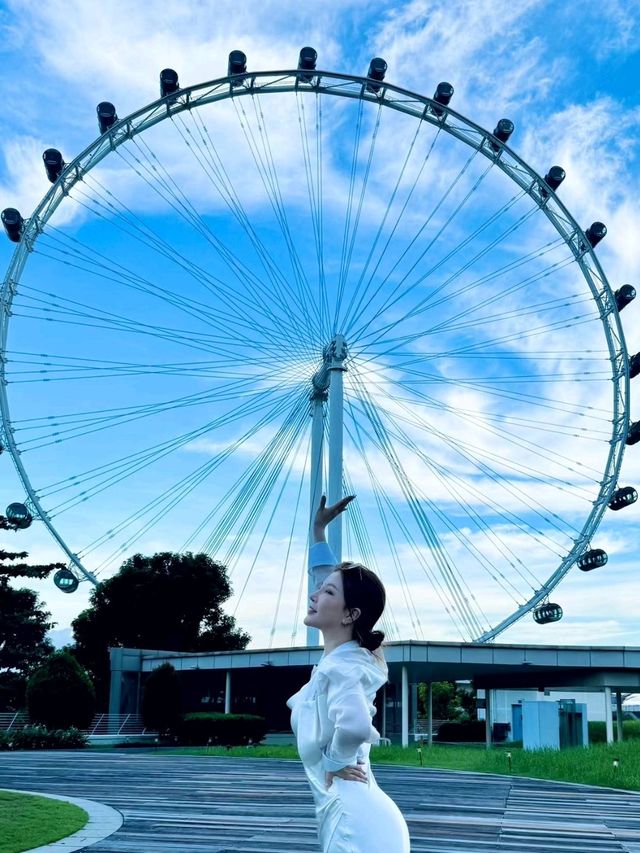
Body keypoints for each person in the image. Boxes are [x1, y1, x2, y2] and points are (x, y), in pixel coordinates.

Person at [286, 495, 411, 852]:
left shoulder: (342, 667)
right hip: (350, 811)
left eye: (325, 592)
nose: (313, 595)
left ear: (349, 615)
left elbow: (356, 726)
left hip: (353, 823)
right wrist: (318, 531)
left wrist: (334, 761)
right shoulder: (345, 658)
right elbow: (326, 579)